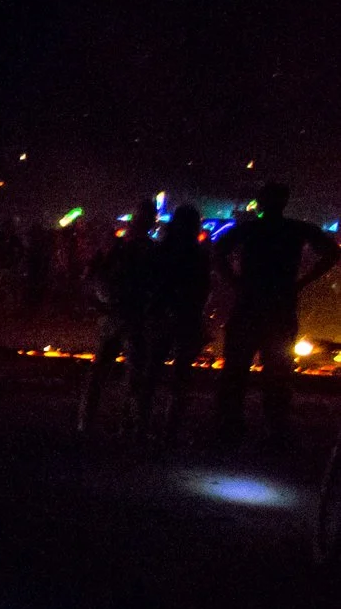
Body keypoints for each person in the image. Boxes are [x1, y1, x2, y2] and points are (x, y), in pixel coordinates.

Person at [213, 183, 338, 445]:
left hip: (249, 305)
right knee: (277, 372)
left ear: (261, 201)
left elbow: (217, 251)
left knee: (237, 369)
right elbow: (331, 253)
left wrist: (235, 281)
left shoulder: (250, 229)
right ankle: (275, 429)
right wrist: (302, 282)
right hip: (280, 306)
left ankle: (230, 424)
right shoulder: (295, 229)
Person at [78, 198, 156, 436]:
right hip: (131, 317)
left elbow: (91, 275)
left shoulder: (121, 248)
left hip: (119, 316)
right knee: (131, 375)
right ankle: (129, 426)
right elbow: (93, 275)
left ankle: (88, 423)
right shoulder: (143, 250)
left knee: (104, 372)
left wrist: (98, 301)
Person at [141, 203, 210, 440]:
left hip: (164, 314)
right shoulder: (198, 253)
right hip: (185, 316)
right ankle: (169, 428)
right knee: (180, 375)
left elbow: (151, 282)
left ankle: (142, 424)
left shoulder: (162, 250)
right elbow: (203, 288)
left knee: (152, 372)